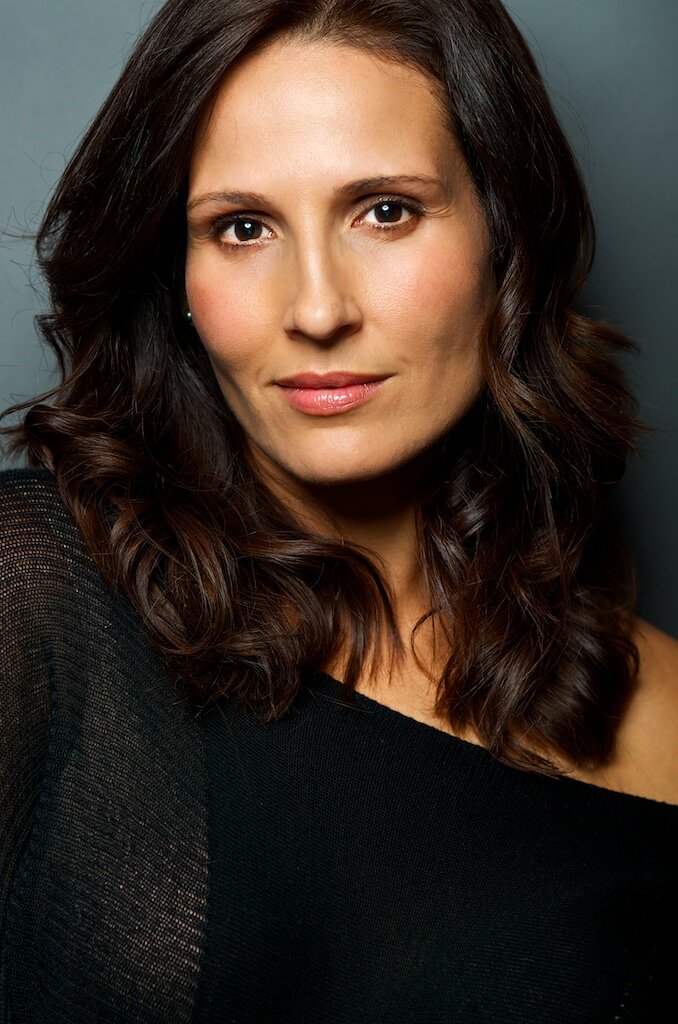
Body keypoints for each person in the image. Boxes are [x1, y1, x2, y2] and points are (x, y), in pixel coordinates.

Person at [1, 0, 676, 1020]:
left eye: (386, 211)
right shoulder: (35, 595)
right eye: (242, 227)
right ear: (175, 274)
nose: (318, 310)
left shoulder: (663, 715)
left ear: (507, 236)